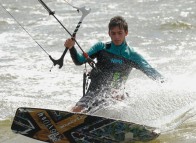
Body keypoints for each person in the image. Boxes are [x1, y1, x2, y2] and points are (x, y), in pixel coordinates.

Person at [64, 16, 164, 113]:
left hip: (116, 96)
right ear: (109, 33)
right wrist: (71, 48)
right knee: (77, 110)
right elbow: (79, 61)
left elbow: (150, 71)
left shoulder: (132, 55)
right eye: (113, 33)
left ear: (126, 33)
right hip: (94, 92)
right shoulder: (101, 47)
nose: (116, 37)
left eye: (120, 33)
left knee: (120, 99)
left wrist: (167, 85)